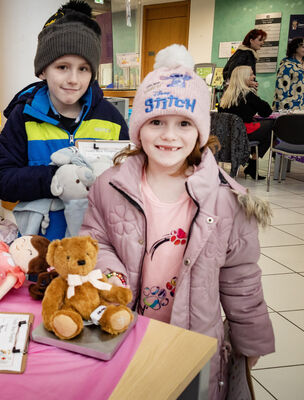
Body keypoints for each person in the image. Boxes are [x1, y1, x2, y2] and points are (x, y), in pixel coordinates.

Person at [79, 44, 274, 400]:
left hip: (193, 341)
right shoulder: (111, 184)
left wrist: (250, 341)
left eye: (184, 123)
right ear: (139, 127)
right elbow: (96, 239)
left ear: (200, 130)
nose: (169, 136)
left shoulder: (225, 198)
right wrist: (110, 274)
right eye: (156, 122)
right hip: (126, 332)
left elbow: (241, 277)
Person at [0, 0, 128, 241]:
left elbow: (129, 179)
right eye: (62, 67)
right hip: (39, 245)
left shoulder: (111, 119)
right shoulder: (24, 117)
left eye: (83, 69)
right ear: (43, 70)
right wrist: (54, 178)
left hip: (96, 244)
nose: (73, 79)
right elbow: (1, 180)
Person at [219, 66, 273, 180]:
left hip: (227, 136)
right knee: (271, 127)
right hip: (242, 133)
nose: (254, 77)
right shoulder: (248, 95)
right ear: (243, 78)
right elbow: (266, 112)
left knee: (260, 131)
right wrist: (255, 93)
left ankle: (249, 161)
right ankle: (252, 163)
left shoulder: (226, 95)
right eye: (251, 74)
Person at [273, 37, 304, 111]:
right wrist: (285, 109)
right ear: (295, 48)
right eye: (303, 47)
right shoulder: (286, 66)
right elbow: (281, 90)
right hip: (291, 108)